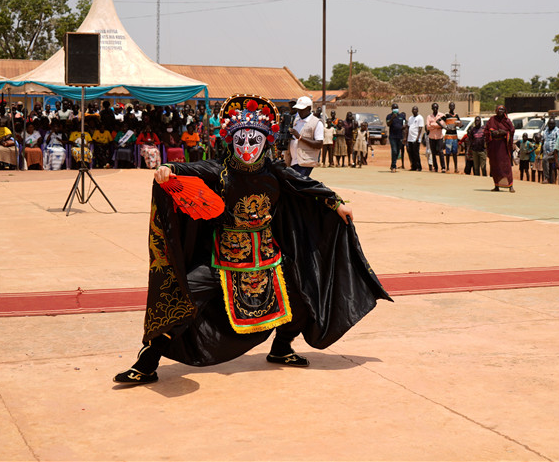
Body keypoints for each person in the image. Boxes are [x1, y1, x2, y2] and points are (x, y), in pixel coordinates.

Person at [114, 94, 391, 385]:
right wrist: (167, 170)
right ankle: (148, 362)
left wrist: (336, 204)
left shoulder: (275, 171)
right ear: (231, 142)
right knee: (186, 293)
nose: (247, 148)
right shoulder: (220, 171)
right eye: (241, 142)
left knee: (300, 293)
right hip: (223, 258)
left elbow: (307, 185)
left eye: (254, 142)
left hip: (268, 256)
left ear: (266, 142)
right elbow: (188, 169)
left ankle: (282, 348)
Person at [288, 96, 323, 177]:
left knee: (298, 185)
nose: (299, 111)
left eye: (302, 109)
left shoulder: (316, 123)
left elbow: (319, 144)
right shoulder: (296, 121)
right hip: (293, 160)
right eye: (298, 109)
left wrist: (300, 137)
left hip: (305, 162)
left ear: (309, 108)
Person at [483, 105, 515, 192]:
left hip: (503, 146)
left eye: (502, 110)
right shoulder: (492, 119)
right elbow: (486, 131)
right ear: (496, 110)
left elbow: (511, 131)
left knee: (506, 166)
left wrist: (504, 132)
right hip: (494, 146)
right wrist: (492, 133)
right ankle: (496, 185)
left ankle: (510, 186)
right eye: (499, 109)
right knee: (495, 166)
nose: (501, 111)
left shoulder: (507, 121)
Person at [425, 103, 446, 172]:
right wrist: (436, 125)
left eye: (436, 108)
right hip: (432, 137)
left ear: (438, 108)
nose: (435, 109)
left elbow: (441, 125)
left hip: (439, 137)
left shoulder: (442, 115)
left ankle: (443, 167)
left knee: (440, 152)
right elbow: (428, 127)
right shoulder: (429, 116)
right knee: (433, 153)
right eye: (434, 108)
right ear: (432, 108)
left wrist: (432, 125)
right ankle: (435, 167)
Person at [541, 118, 559, 184]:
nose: (550, 125)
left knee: (545, 160)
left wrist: (553, 152)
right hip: (546, 153)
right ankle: (550, 181)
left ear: (555, 124)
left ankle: (547, 178)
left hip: (554, 153)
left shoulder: (558, 131)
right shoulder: (545, 131)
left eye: (552, 124)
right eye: (549, 124)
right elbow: (543, 141)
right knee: (549, 167)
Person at [442, 102, 461, 173]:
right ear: (449, 107)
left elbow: (460, 123)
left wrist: (459, 125)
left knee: (455, 152)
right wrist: (444, 127)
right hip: (448, 136)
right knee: (448, 153)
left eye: (453, 106)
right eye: (451, 106)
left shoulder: (456, 115)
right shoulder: (446, 115)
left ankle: (456, 168)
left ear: (454, 107)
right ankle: (447, 168)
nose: (452, 107)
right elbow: (439, 121)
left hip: (455, 136)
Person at [405, 106, 425, 172]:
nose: (414, 110)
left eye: (415, 109)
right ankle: (413, 166)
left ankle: (419, 167)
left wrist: (417, 138)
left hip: (415, 138)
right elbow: (408, 127)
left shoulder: (420, 118)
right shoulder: (410, 118)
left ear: (417, 110)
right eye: (413, 109)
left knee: (416, 153)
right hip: (410, 138)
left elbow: (420, 128)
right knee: (410, 153)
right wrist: (406, 138)